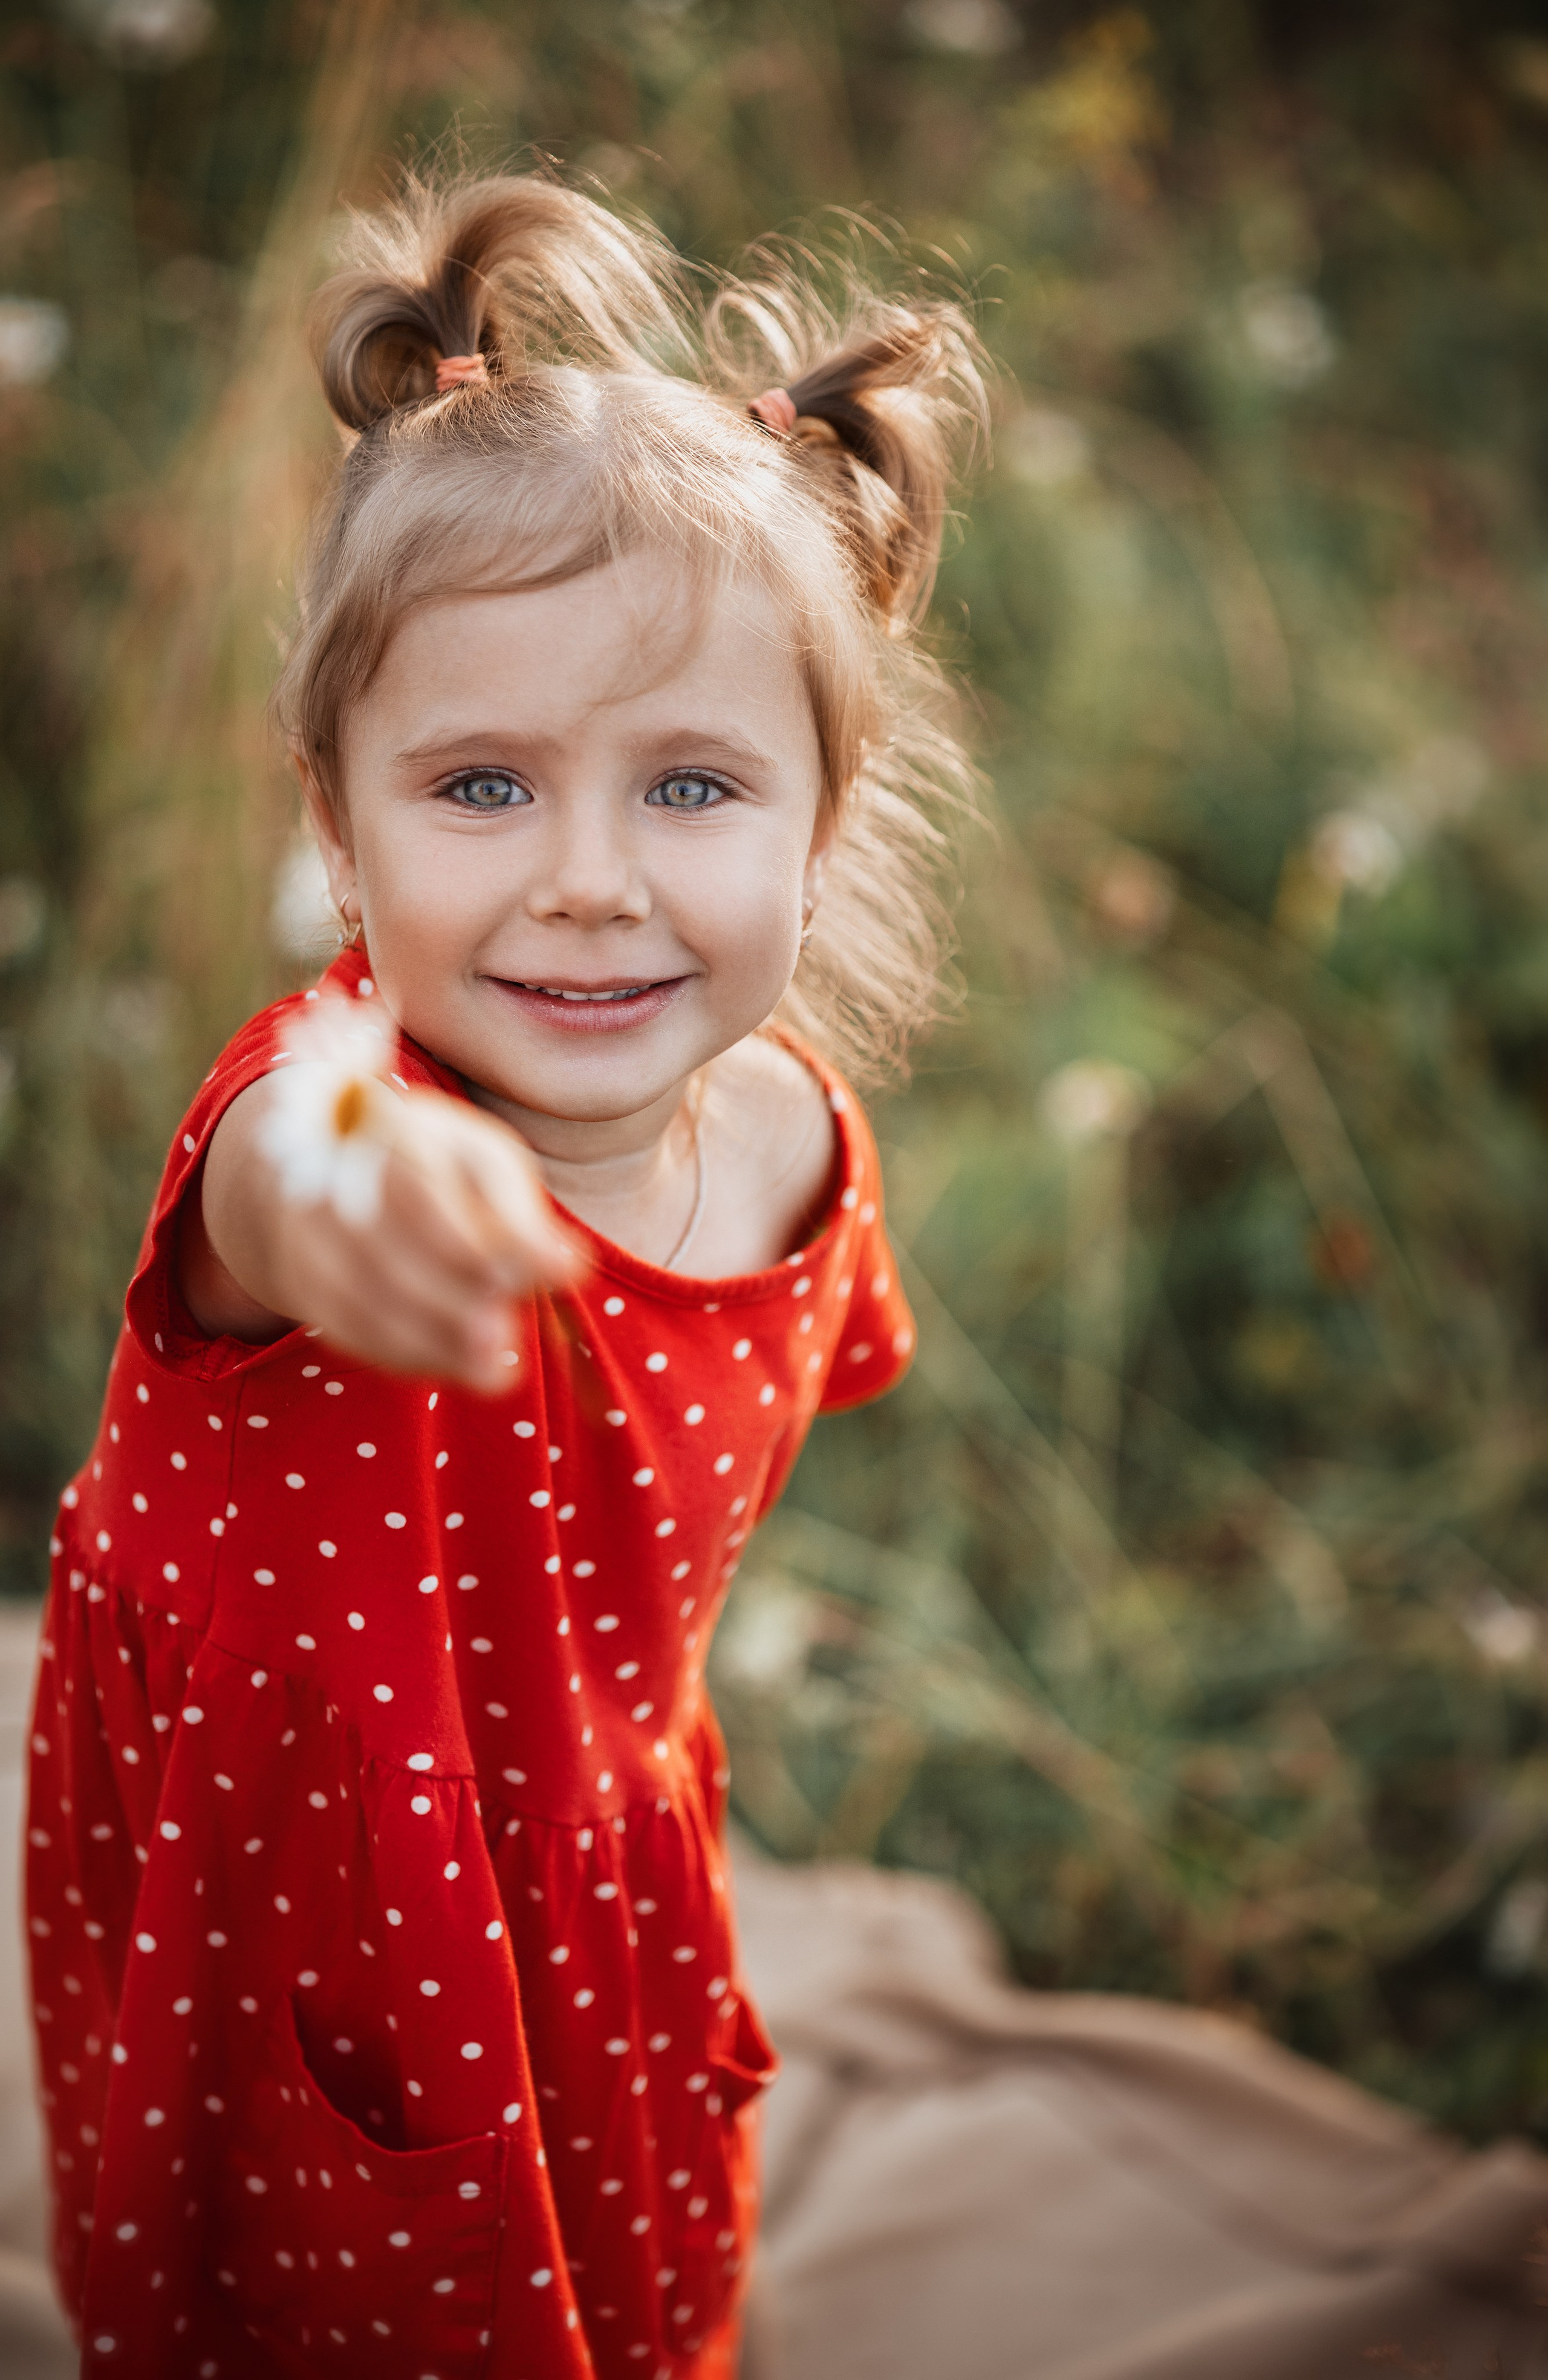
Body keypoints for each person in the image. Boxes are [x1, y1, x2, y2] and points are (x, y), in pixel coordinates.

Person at [23, 172, 986, 2378]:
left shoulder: (797, 1150)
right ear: (339, 823)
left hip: (588, 1866)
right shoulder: (324, 1123)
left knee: (620, 2282)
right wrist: (349, 1195)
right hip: (289, 1906)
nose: (585, 882)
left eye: (690, 787)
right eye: (478, 783)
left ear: (819, 822)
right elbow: (286, 1171)